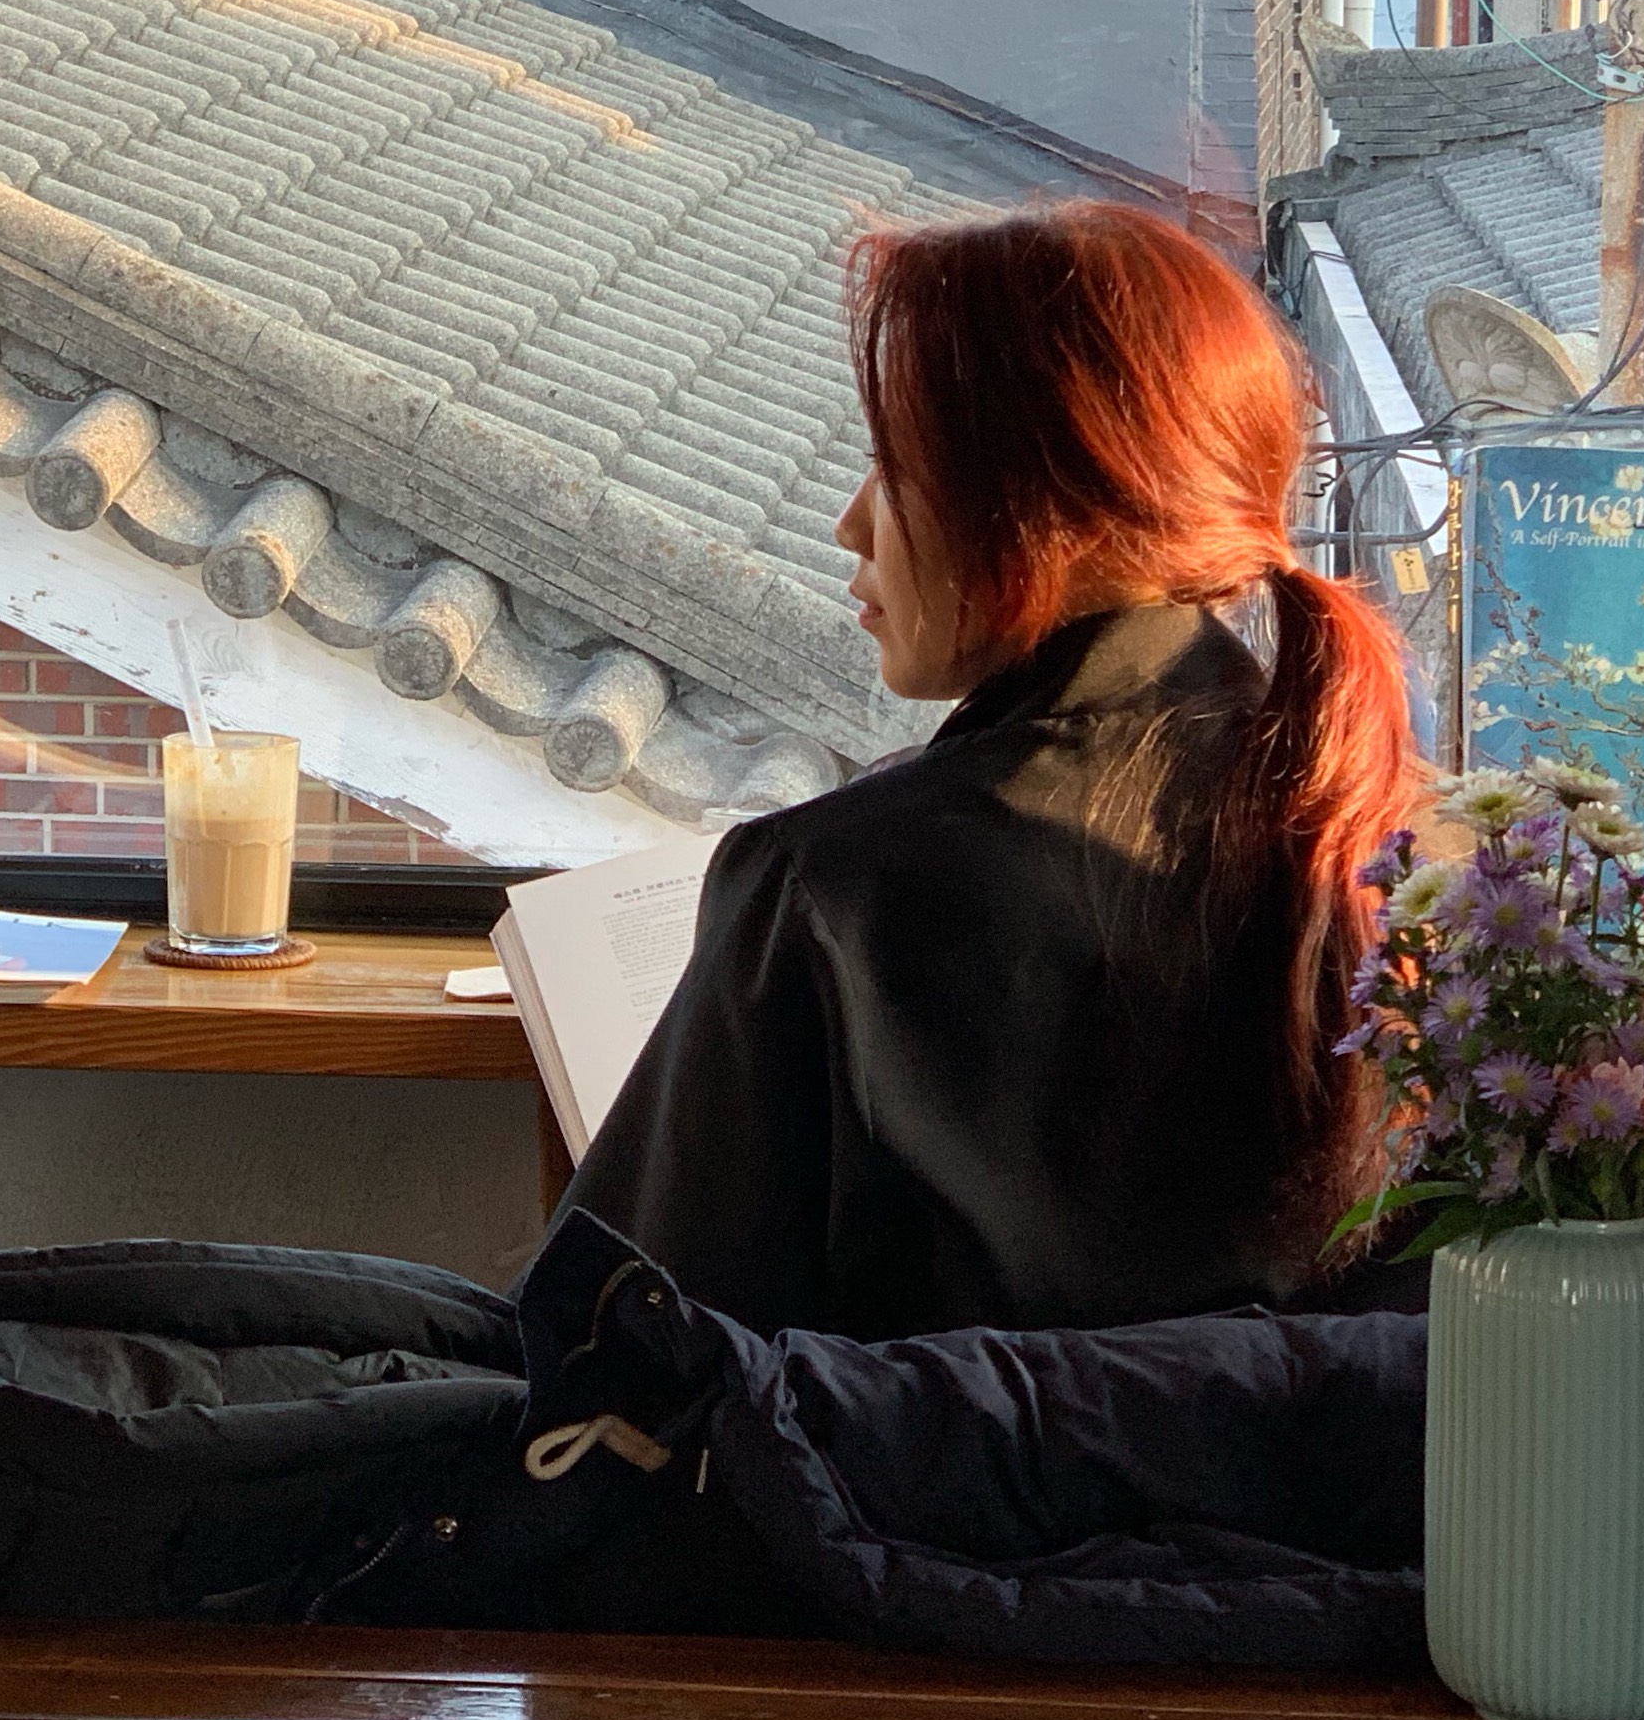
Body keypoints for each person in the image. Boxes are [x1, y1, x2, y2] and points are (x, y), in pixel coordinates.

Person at [556, 200, 1421, 1340]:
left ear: (1044, 509)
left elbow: (622, 1350)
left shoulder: (831, 888)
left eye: (895, 468)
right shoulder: (1384, 855)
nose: (850, 525)